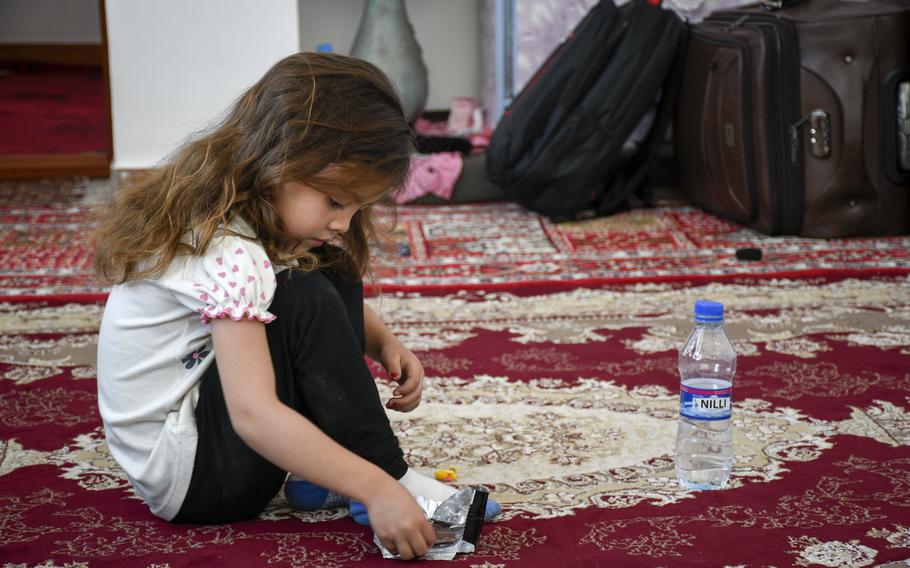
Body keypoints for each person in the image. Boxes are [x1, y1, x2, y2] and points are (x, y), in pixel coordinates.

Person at [93, 52, 498, 561]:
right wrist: (378, 487)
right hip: (198, 479)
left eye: (356, 207)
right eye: (335, 201)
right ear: (279, 160)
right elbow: (253, 414)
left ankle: (321, 472)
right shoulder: (227, 252)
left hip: (206, 446)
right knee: (303, 289)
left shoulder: (241, 203)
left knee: (327, 263)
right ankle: (388, 473)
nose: (344, 222)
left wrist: (383, 342)